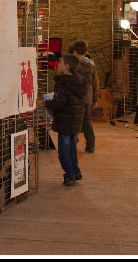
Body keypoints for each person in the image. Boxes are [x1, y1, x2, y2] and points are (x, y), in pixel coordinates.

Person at [44, 53, 87, 186]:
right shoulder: (79, 81)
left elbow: (58, 104)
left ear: (66, 66)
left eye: (61, 62)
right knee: (72, 148)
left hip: (65, 121)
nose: (58, 64)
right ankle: (76, 171)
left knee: (64, 150)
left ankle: (70, 174)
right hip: (76, 120)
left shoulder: (62, 83)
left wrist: (46, 102)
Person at [69, 40, 99, 153]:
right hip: (87, 97)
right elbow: (96, 83)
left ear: (74, 51)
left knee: (73, 119)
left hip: (74, 96)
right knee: (87, 121)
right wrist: (95, 99)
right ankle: (91, 145)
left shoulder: (71, 64)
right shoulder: (91, 65)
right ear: (86, 51)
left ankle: (73, 142)